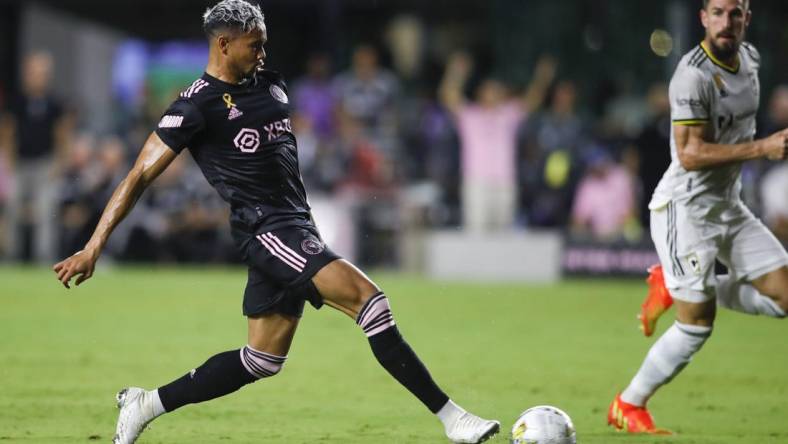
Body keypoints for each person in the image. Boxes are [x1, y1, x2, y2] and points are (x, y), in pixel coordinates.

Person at [52, 2, 499, 443]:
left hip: (295, 225)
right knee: (371, 303)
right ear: (223, 45)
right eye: (255, 45)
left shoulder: (270, 83)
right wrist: (94, 246)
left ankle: (145, 404)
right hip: (267, 230)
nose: (263, 53)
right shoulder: (195, 106)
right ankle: (452, 419)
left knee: (261, 359)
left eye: (264, 44)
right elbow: (138, 177)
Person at [607, 0, 788, 434]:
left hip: (729, 205)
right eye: (719, 13)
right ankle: (628, 404)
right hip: (685, 211)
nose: (728, 22)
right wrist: (762, 148)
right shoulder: (692, 76)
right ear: (703, 18)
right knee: (696, 326)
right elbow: (689, 155)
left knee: (783, 297)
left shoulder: (751, 60)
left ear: (748, 18)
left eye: (736, 14)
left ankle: (672, 285)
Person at [439, 51, 555, 232]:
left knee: (503, 236)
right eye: (490, 90)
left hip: (504, 182)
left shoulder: (508, 115)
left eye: (497, 90)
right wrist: (456, 73)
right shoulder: (471, 116)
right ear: (481, 94)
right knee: (476, 233)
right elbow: (448, 96)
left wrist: (542, 77)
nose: (494, 94)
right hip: (477, 183)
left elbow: (532, 101)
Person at [2, 50, 73, 262]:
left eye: (43, 73)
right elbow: (7, 131)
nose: (39, 77)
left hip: (45, 163)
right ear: (27, 74)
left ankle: (44, 259)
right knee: (12, 207)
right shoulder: (17, 101)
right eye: (35, 73)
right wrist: (9, 161)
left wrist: (60, 163)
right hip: (19, 163)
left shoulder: (55, 103)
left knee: (46, 210)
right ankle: (10, 257)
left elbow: (62, 134)